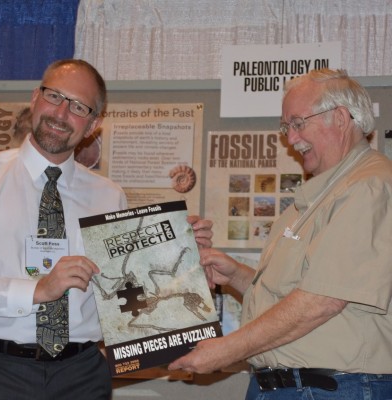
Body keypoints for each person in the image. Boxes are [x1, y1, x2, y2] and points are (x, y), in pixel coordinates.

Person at [0, 59, 213, 400]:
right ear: (35, 98)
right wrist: (37, 290)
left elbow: (126, 291)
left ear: (93, 124)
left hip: (82, 375)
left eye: (79, 107)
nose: (61, 113)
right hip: (0, 371)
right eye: (54, 97)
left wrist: (182, 261)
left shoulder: (109, 195)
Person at [168, 69, 392, 399]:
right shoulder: (316, 196)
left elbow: (322, 301)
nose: (291, 138)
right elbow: (298, 292)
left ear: (341, 118)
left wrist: (227, 349)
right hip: (289, 387)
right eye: (287, 127)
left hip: (333, 388)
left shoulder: (368, 187)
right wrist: (237, 275)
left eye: (298, 123)